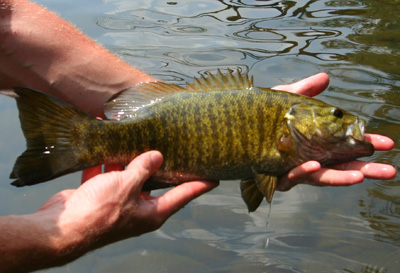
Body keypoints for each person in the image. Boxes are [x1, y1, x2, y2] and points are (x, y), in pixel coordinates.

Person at [0, 0, 396, 272]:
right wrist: (67, 233)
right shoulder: (281, 125)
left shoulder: (285, 128)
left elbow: (7, 18)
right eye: (336, 115)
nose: (345, 121)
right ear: (296, 118)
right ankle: (77, 139)